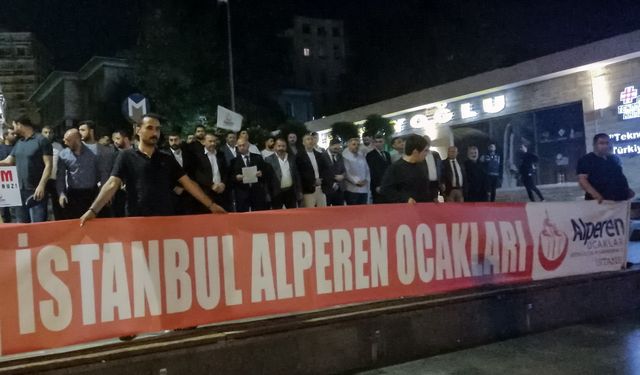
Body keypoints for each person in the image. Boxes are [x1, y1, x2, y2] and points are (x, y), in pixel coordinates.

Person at [79, 114, 225, 225]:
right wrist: (93, 210)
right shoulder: (125, 156)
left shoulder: (166, 158)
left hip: (165, 220)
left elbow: (188, 183)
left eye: (157, 129)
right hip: (137, 220)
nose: (154, 132)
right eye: (149, 128)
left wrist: (211, 205)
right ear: (138, 130)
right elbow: (112, 184)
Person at [0, 116, 52, 223]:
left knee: (37, 227)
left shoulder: (41, 140)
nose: (13, 128)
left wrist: (41, 185)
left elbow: (49, 165)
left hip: (36, 192)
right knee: (21, 227)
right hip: (19, 192)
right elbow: (9, 161)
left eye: (14, 125)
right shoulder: (19, 142)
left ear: (19, 125)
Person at [57, 129, 104, 219]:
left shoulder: (94, 153)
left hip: (91, 193)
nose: (65, 143)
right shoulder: (63, 155)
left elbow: (102, 172)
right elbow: (60, 177)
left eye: (68, 140)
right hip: (74, 194)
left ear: (77, 140)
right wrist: (61, 193)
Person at [577, 133, 635, 202]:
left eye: (607, 143)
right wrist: (597, 196)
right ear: (594, 145)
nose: (605, 146)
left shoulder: (613, 159)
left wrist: (627, 191)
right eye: (601, 143)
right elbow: (583, 181)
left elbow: (619, 177)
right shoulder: (586, 160)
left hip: (620, 201)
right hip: (600, 203)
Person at [380, 134, 431, 203]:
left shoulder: (422, 165)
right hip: (405, 210)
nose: (427, 153)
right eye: (425, 150)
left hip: (422, 208)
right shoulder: (395, 168)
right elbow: (386, 190)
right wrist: (405, 199)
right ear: (415, 152)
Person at [192, 133, 232, 212]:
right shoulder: (198, 156)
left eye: (214, 141)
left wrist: (223, 183)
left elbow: (226, 172)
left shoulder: (221, 154)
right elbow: (198, 175)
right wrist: (211, 185)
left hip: (222, 193)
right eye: (210, 141)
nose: (213, 144)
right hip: (206, 193)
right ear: (203, 142)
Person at [230, 136, 269, 212]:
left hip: (257, 192)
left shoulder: (257, 157)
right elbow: (230, 177)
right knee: (243, 217)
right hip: (242, 193)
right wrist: (236, 177)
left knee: (259, 215)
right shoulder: (233, 161)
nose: (242, 147)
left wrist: (261, 173)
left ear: (248, 145)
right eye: (239, 146)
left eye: (243, 145)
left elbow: (266, 171)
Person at [265, 138, 301, 209]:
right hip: (276, 193)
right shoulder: (268, 160)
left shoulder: (291, 157)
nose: (281, 148)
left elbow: (297, 175)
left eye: (283, 146)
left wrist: (299, 191)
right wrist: (267, 193)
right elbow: (266, 179)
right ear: (275, 147)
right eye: (279, 146)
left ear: (286, 147)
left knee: (292, 214)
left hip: (290, 191)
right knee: (277, 216)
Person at [297, 133, 331, 208]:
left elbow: (325, 170)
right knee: (310, 214)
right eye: (308, 139)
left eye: (312, 139)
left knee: (323, 212)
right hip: (308, 190)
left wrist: (322, 180)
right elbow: (300, 174)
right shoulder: (299, 156)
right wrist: (313, 181)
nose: (310, 141)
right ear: (303, 142)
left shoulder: (320, 155)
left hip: (321, 188)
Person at [42, 125, 64, 220]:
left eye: (50, 132)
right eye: (45, 132)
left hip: (55, 179)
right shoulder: (39, 145)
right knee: (42, 204)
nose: (48, 134)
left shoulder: (58, 146)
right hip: (43, 180)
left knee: (57, 204)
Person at [343, 137, 371, 205]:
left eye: (358, 144)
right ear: (349, 145)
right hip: (352, 189)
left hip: (364, 189)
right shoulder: (345, 157)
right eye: (354, 144)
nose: (356, 146)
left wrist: (366, 180)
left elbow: (367, 169)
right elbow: (347, 172)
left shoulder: (361, 156)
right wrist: (356, 182)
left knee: (363, 211)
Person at [366, 134, 391, 204]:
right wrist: (377, 185)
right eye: (376, 142)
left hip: (387, 184)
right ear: (374, 143)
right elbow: (371, 171)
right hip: (377, 185)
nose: (378, 144)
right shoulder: (370, 155)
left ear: (384, 142)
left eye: (380, 141)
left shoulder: (387, 154)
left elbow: (390, 169)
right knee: (379, 204)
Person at [0, 127, 17, 223]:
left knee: (16, 209)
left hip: (16, 183)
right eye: (12, 134)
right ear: (6, 136)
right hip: (3, 182)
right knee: (4, 210)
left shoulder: (18, 147)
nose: (15, 135)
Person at [325, 138, 346, 206]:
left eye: (339, 147)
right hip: (327, 189)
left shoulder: (340, 156)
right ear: (330, 146)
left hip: (340, 189)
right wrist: (333, 182)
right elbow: (322, 172)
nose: (337, 149)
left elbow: (344, 169)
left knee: (340, 213)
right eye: (335, 147)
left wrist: (342, 176)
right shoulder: (322, 156)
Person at [424, 136, 442, 202]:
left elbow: (440, 167)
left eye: (428, 142)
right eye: (425, 142)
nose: (427, 143)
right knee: (426, 203)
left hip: (435, 183)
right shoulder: (420, 155)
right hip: (424, 184)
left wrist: (442, 182)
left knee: (435, 203)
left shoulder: (436, 154)